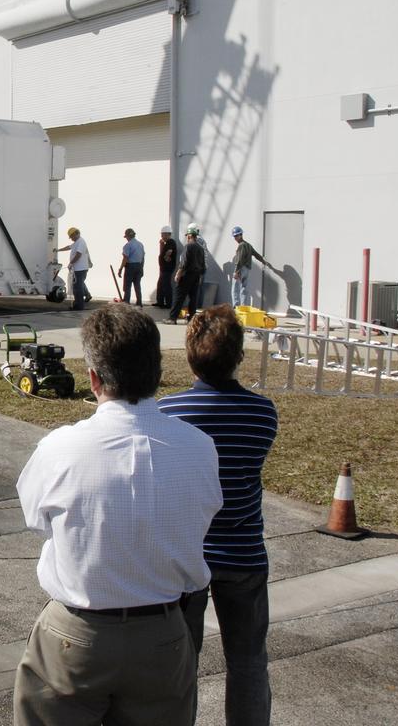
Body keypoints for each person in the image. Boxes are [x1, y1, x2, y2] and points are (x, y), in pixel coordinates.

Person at [13, 303, 221, 726]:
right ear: (158, 371)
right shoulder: (199, 446)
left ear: (93, 379)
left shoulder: (60, 448)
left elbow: (36, 519)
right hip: (163, 631)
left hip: (78, 634)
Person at [159, 305, 277, 726]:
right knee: (247, 663)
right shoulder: (264, 414)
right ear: (239, 356)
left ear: (189, 356)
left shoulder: (170, 414)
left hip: (189, 557)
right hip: (244, 554)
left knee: (181, 666)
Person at [167, 223, 207, 325]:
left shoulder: (188, 246)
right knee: (193, 298)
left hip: (186, 274)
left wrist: (178, 274)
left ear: (189, 236)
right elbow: (203, 264)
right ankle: (192, 318)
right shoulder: (200, 248)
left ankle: (172, 318)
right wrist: (200, 275)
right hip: (196, 275)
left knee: (178, 296)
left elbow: (183, 263)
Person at [229, 226, 275, 308]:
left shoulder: (241, 246)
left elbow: (239, 260)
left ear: (241, 235)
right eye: (234, 236)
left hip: (240, 269)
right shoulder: (248, 245)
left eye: (236, 236)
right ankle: (243, 306)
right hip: (247, 269)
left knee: (235, 288)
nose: (235, 238)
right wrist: (263, 261)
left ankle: (235, 306)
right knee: (244, 288)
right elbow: (256, 255)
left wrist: (236, 271)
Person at [55, 227, 92, 310]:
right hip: (78, 269)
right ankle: (78, 304)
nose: (71, 238)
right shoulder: (77, 242)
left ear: (76, 233)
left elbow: (78, 254)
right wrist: (58, 250)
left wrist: (71, 263)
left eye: (71, 236)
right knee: (78, 286)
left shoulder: (81, 242)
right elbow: (69, 247)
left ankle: (79, 306)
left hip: (80, 269)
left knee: (78, 288)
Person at [118, 227, 146, 306]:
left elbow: (125, 258)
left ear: (127, 236)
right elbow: (143, 256)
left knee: (127, 286)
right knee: (137, 285)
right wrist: (142, 267)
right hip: (139, 265)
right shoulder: (140, 244)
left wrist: (120, 269)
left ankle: (126, 302)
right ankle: (139, 302)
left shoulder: (127, 245)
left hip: (130, 266)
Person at [156, 225, 178, 309]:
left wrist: (166, 257)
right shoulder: (166, 243)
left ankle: (168, 303)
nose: (162, 236)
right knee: (161, 284)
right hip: (164, 268)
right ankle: (160, 302)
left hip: (167, 269)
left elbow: (169, 251)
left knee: (166, 285)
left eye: (163, 234)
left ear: (167, 234)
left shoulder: (171, 242)